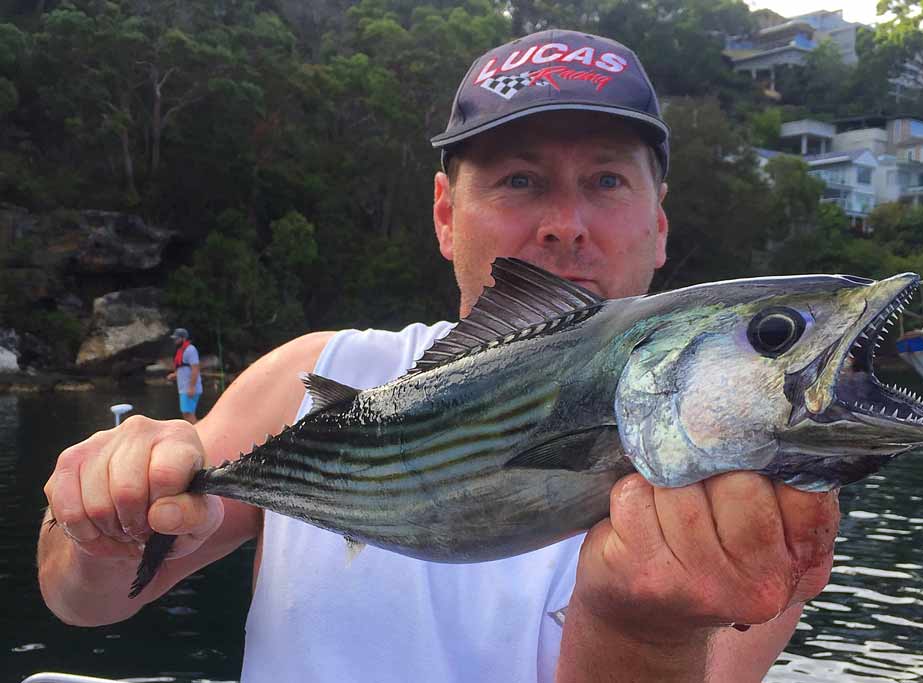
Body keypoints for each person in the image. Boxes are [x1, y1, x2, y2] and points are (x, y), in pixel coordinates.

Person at [38, 30, 839, 682]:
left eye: (605, 180)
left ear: (659, 224)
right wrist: (100, 520)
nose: (566, 222)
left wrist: (646, 635)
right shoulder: (314, 370)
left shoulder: (753, 500)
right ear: (446, 215)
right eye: (520, 180)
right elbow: (83, 602)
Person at [165, 328, 202, 424]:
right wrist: (174, 375)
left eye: (177, 338)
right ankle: (198, 432)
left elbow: (195, 368)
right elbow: (183, 369)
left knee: (188, 414)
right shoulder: (181, 351)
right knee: (187, 414)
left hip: (189, 388)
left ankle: (199, 434)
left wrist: (192, 387)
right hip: (183, 389)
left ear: (183, 338)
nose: (175, 341)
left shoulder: (190, 350)